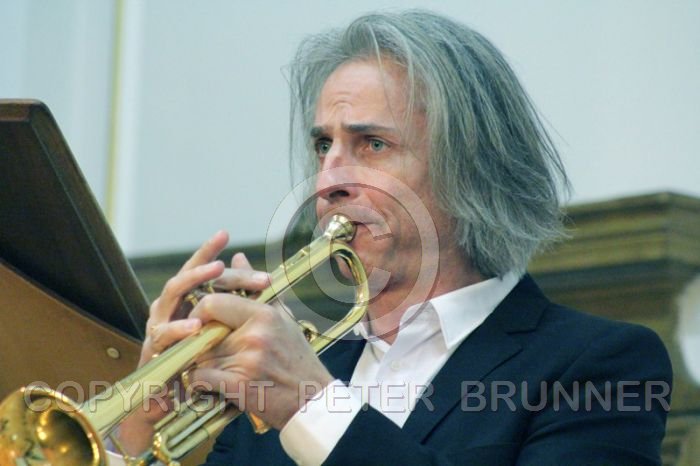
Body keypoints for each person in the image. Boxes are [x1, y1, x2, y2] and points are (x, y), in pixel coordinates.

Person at [116, 10, 672, 465]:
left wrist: (312, 405)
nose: (326, 181)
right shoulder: (291, 365)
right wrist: (145, 418)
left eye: (373, 145)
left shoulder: (599, 365)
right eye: (323, 146)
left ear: (471, 169)